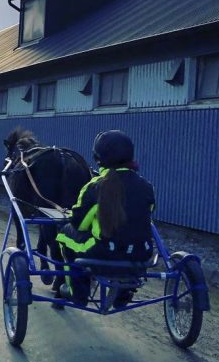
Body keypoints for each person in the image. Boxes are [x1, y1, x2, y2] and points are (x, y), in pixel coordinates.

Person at [56, 130, 155, 305]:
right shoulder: (146, 186)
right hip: (141, 254)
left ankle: (77, 291)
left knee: (64, 234)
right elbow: (147, 213)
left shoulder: (95, 187)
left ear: (99, 158)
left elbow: (79, 224)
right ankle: (123, 292)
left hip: (105, 254)